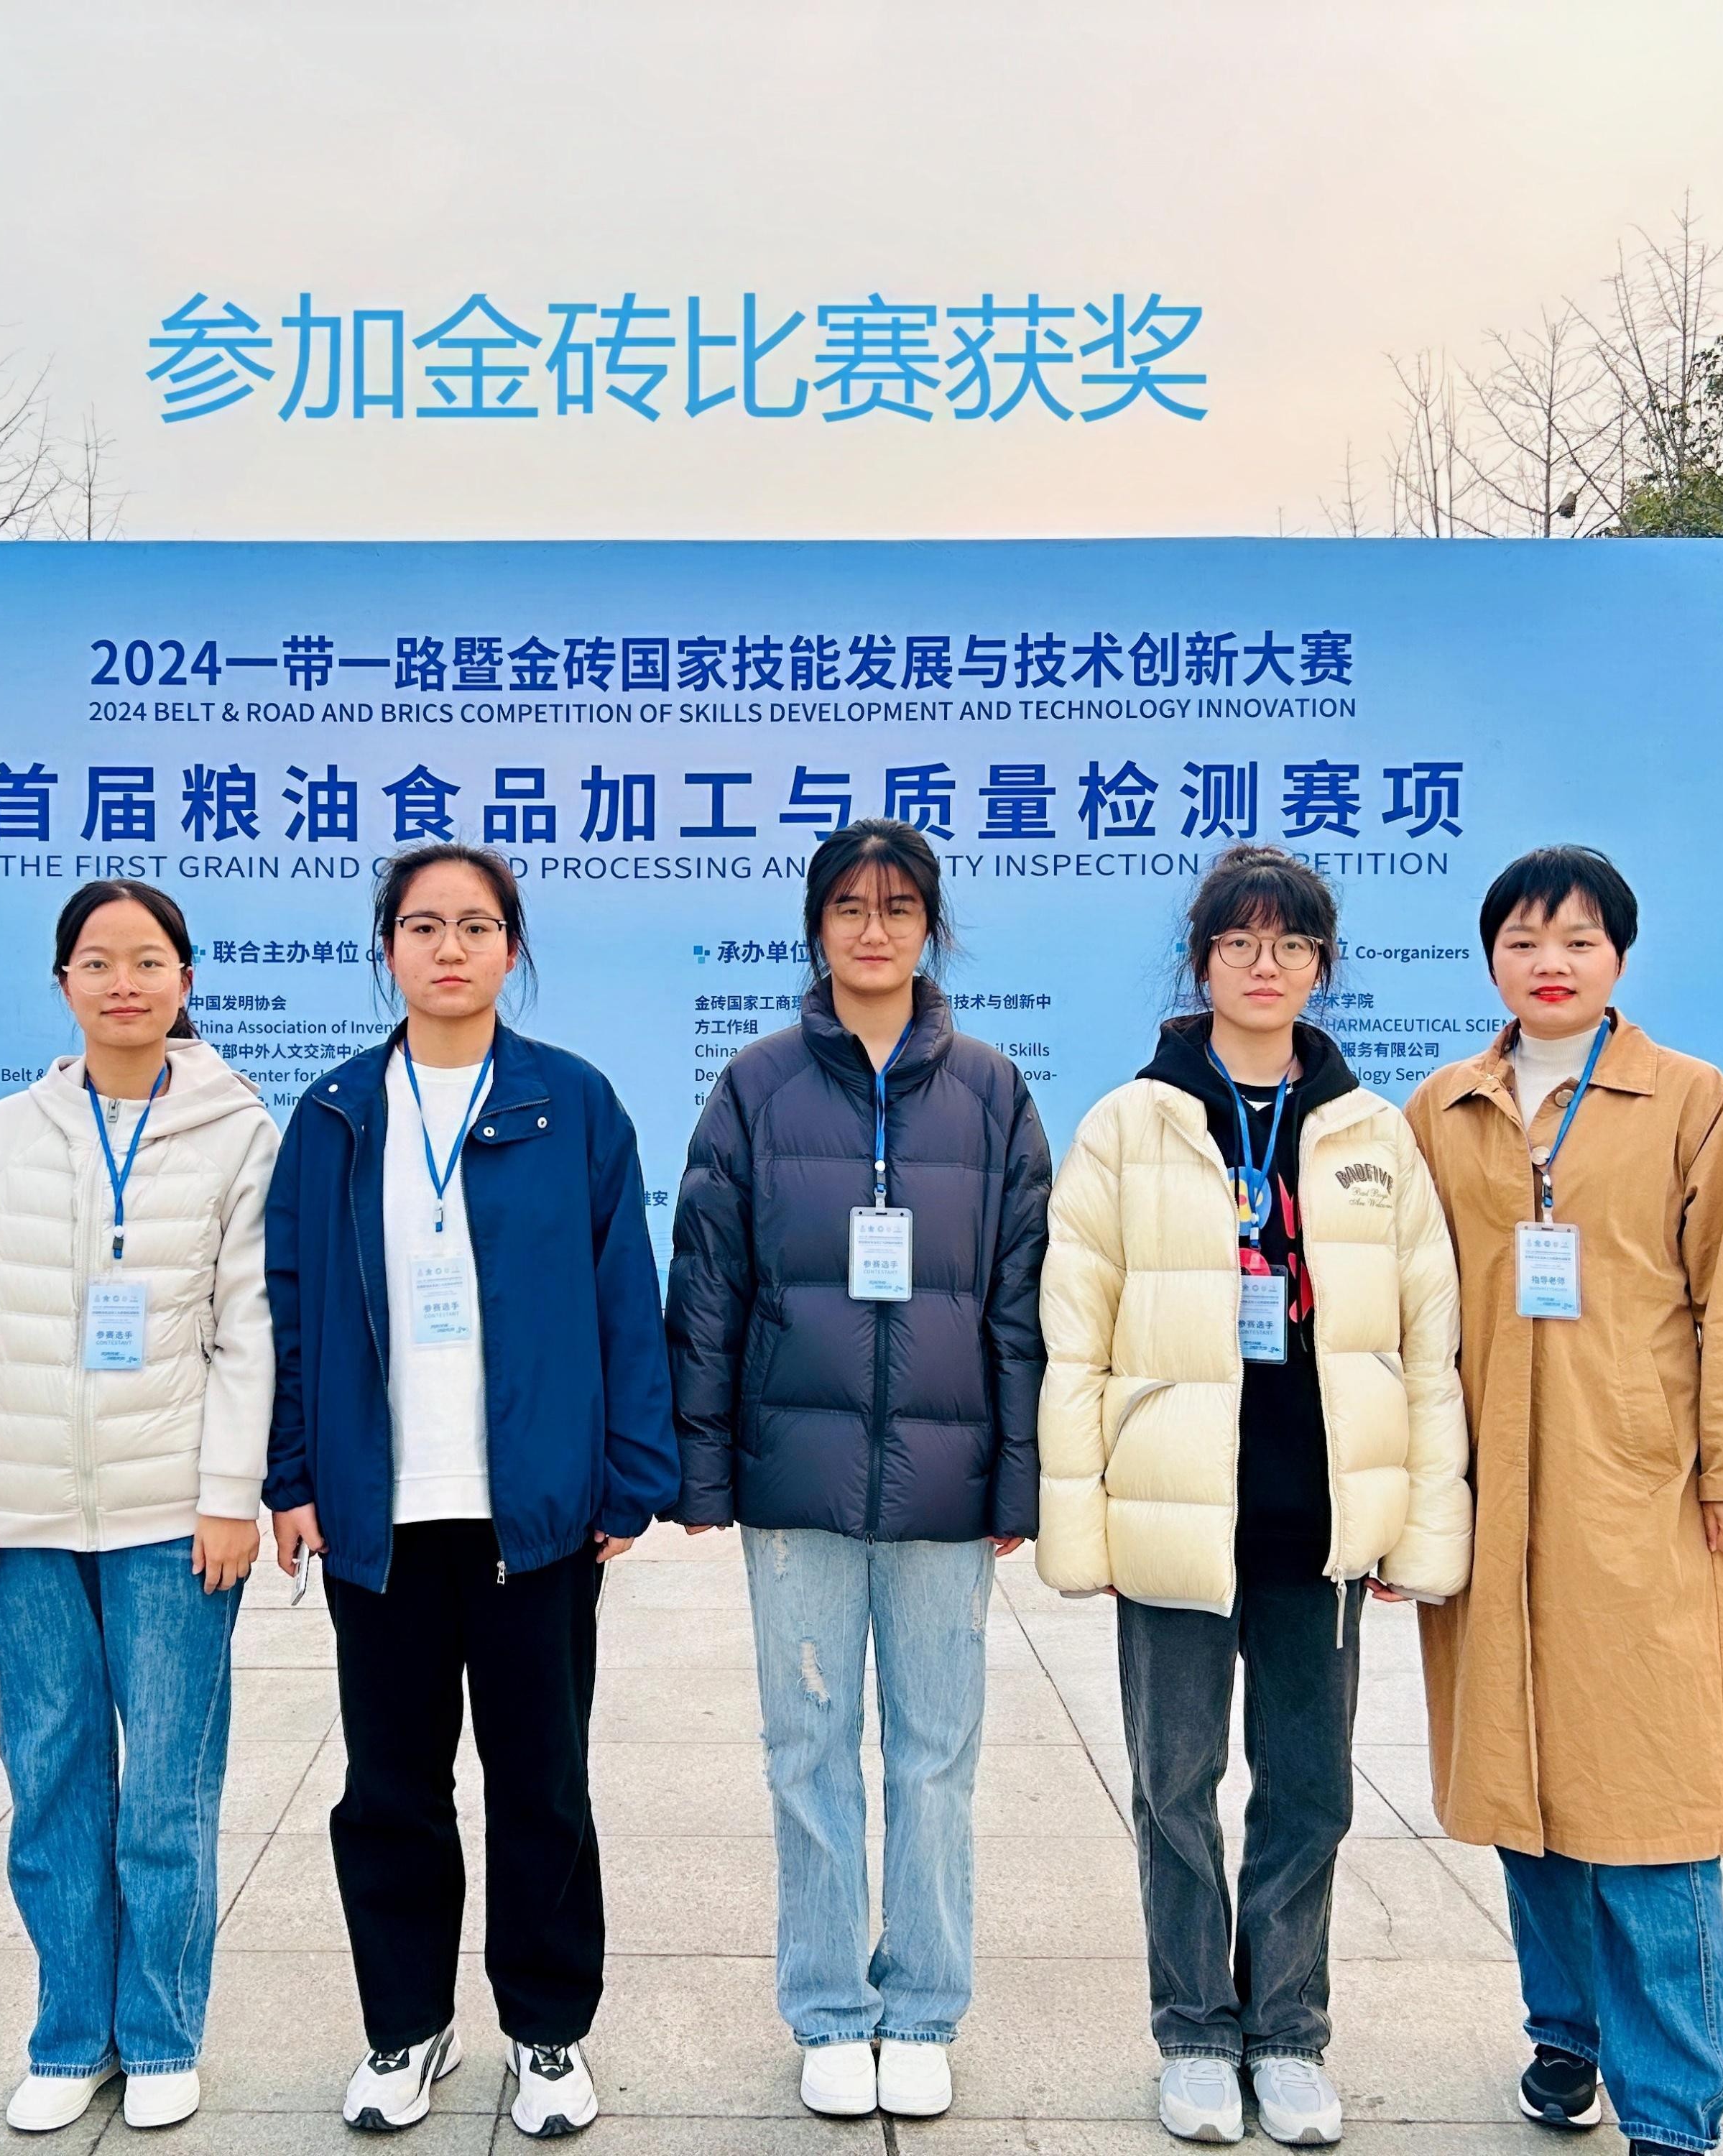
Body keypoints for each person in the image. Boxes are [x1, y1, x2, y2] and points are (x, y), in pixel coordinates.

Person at [1038, 844, 1470, 2149]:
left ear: (1322, 966)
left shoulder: (1372, 1133)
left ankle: (1286, 2034)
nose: (1263, 965)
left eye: (1289, 944)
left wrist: (1417, 1525)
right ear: (1203, 961)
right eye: (1238, 943)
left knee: (1310, 1791)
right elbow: (1076, 1333)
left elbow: (1428, 1345)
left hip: (1316, 1524)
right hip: (1177, 1514)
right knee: (1175, 1789)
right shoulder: (1130, 1124)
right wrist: (1081, 1521)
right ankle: (1191, 2033)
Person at [262, 842, 679, 2141]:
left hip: (533, 1514)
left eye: (478, 926)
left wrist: (631, 1476)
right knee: (391, 1785)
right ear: (386, 947)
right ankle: (407, 2027)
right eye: (424, 926)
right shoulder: (336, 1113)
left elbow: (625, 1295)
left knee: (541, 1782)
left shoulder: (573, 1103)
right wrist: (291, 1475)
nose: (450, 948)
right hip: (378, 1516)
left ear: (513, 948)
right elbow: (289, 1305)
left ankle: (548, 2033)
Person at [1403, 846, 1723, 2156]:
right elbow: (1402, 1309)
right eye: (1524, 941)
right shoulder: (1444, 1106)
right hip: (1491, 1492)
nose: (1551, 963)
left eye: (1578, 940)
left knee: (1648, 1796)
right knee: (1520, 1780)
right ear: (1491, 959)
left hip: (1634, 1486)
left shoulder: (1687, 1097)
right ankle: (1565, 2038)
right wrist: (1401, 1493)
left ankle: (1673, 2109)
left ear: (1619, 958)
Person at [663, 819, 1051, 2122]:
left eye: (897, 907)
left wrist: (1019, 1477)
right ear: (816, 928)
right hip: (797, 1476)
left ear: (930, 928)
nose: (872, 930)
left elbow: (1020, 1300)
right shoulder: (757, 1086)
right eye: (848, 907)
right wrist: (704, 1471)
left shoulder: (991, 1091)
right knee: (807, 1747)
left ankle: (924, 2006)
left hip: (947, 1482)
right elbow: (708, 1286)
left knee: (936, 1755)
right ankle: (830, 2008)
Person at [0, 878, 278, 2134]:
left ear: (186, 979)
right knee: (52, 1778)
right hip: (20, 1519)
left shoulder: (240, 1133)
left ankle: (163, 2033)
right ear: (63, 981)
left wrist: (232, 1496)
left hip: (174, 1518)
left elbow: (251, 1331)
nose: (124, 982)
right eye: (97, 961)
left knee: (168, 1794)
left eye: (148, 960)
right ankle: (71, 2036)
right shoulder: (4, 1134)